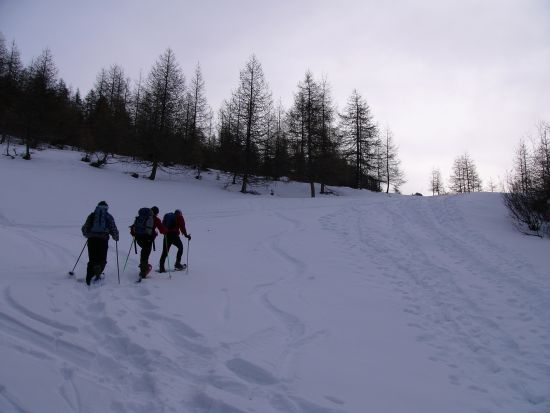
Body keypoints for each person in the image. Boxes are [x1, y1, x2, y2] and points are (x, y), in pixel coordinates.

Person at [81, 201, 119, 285]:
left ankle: (89, 278)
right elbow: (113, 228)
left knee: (92, 259)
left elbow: (85, 228)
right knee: (102, 258)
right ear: (106, 207)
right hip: (103, 240)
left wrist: (88, 235)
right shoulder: (108, 216)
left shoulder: (92, 215)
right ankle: (98, 271)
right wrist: (116, 237)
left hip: (92, 240)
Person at [130, 206, 167, 279]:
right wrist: (166, 231)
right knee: (145, 254)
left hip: (138, 238)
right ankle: (143, 271)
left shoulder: (141, 217)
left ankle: (143, 267)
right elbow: (162, 230)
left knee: (144, 252)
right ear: (156, 213)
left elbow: (133, 227)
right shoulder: (156, 219)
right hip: (147, 239)